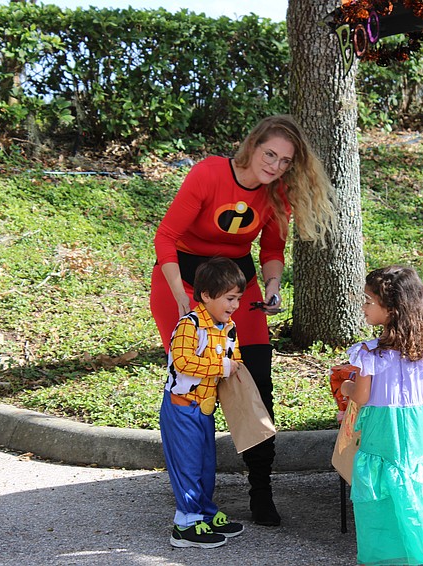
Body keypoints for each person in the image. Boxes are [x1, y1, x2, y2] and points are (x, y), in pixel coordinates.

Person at [150, 114, 336, 526]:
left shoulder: (277, 195)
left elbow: (272, 249)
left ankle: (261, 489)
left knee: (257, 380)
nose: (275, 165)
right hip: (182, 278)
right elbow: (165, 237)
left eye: (285, 161)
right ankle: (193, 494)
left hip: (237, 281)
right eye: (270, 154)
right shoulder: (209, 174)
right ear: (252, 147)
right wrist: (184, 299)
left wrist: (272, 288)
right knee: (194, 383)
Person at [340, 266, 423, 565]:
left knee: (380, 506)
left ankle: (385, 558)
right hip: (414, 445)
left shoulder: (369, 354)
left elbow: (362, 397)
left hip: (382, 441)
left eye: (368, 301)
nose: (363, 307)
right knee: (418, 501)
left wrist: (346, 386)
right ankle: (421, 556)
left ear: (391, 309)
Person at [161, 257, 246, 549]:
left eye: (237, 299)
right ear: (207, 296)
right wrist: (222, 367)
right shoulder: (189, 325)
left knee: (205, 465)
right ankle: (184, 525)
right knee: (187, 465)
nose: (234, 305)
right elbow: (183, 362)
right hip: (181, 407)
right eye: (230, 298)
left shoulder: (228, 326)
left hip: (205, 409)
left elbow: (235, 358)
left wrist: (233, 366)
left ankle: (204, 514)